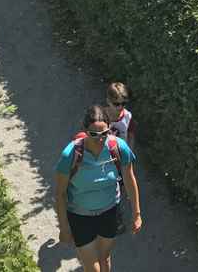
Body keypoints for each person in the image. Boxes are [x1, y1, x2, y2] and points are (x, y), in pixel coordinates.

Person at [55, 105, 142, 272]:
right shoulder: (71, 155)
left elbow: (130, 180)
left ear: (109, 129)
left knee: (105, 260)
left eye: (104, 133)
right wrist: (64, 228)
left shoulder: (118, 147)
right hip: (80, 217)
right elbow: (60, 194)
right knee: (93, 269)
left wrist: (137, 213)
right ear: (85, 131)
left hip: (109, 212)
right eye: (94, 134)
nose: (100, 139)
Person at [105, 81, 136, 150]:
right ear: (108, 101)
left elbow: (131, 137)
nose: (120, 107)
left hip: (120, 154)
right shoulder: (100, 116)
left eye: (123, 103)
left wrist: (129, 154)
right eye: (116, 104)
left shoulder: (128, 117)